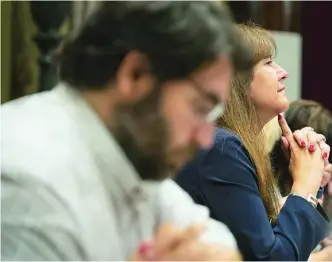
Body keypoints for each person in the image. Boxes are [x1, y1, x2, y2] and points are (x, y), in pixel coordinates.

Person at [1, 2, 253, 261]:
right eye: (201, 108)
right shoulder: (31, 184)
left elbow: (220, 246)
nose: (206, 139)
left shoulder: (133, 157)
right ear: (136, 74)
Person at [175, 23, 332, 261]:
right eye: (268, 63)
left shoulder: (227, 144)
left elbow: (278, 244)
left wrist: (311, 176)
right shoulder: (223, 148)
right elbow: (270, 258)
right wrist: (305, 188)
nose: (283, 72)